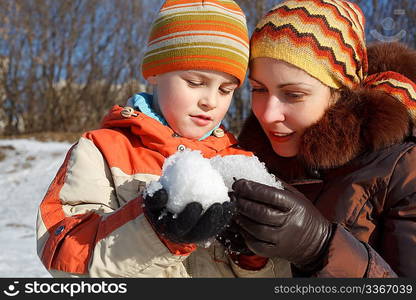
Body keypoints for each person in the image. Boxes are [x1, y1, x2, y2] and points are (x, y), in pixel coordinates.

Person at [36, 0, 291, 278]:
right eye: (195, 82)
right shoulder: (103, 150)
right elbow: (63, 257)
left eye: (226, 89)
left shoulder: (238, 162)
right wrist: (152, 230)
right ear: (156, 72)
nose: (210, 101)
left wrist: (252, 258)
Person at [225, 0, 416, 277]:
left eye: (294, 94)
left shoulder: (402, 169)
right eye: (258, 89)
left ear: (341, 92)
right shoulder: (245, 160)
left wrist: (319, 247)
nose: (267, 114)